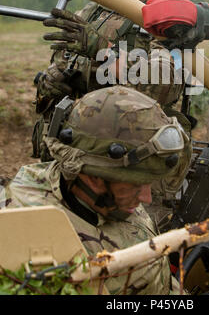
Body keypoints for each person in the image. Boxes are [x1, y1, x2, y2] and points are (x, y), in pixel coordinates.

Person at [32, 0, 209, 221]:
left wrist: (101, 50)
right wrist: (54, 80)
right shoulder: (87, 15)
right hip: (78, 166)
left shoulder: (169, 14)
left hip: (134, 172)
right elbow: (65, 80)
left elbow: (163, 88)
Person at [0, 86, 188, 295]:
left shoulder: (103, 194)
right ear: (93, 178)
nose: (147, 197)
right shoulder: (42, 247)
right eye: (136, 185)